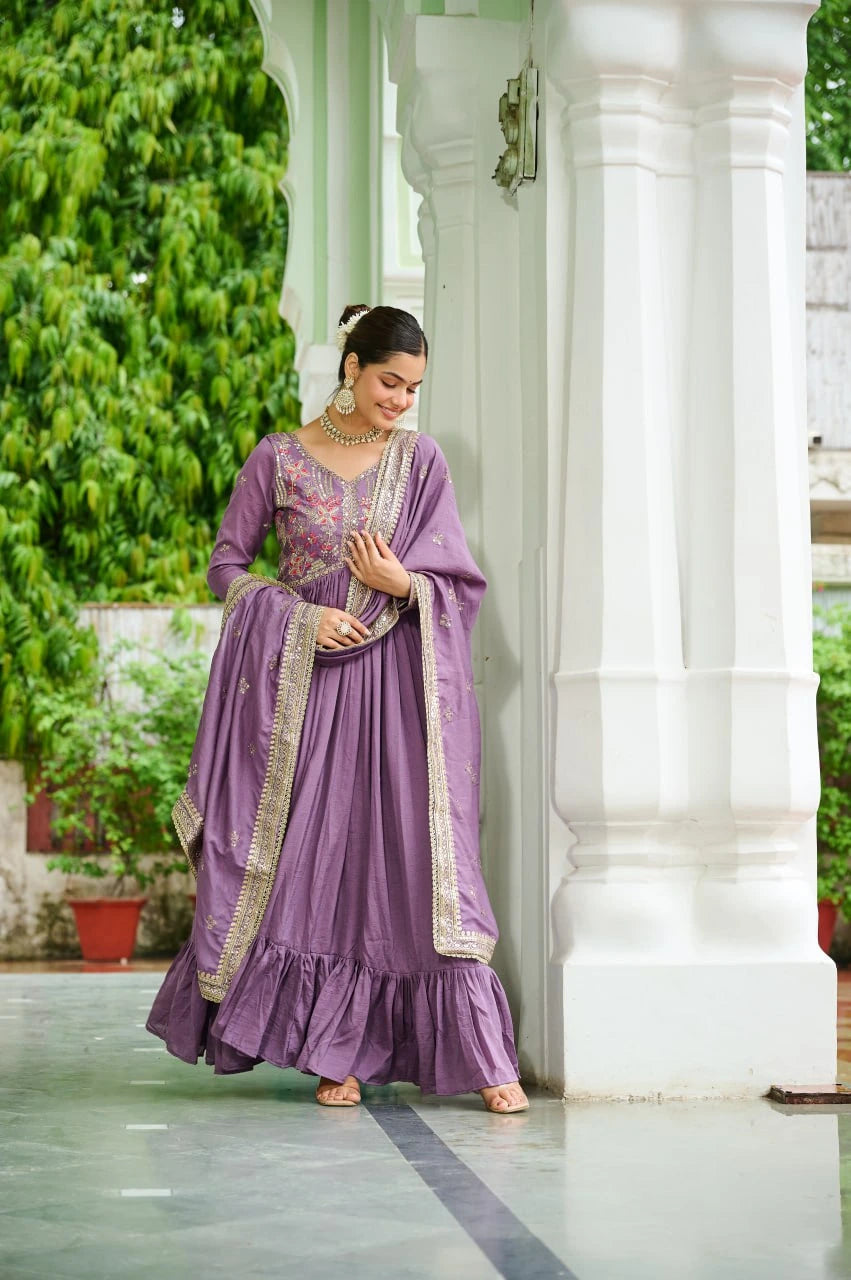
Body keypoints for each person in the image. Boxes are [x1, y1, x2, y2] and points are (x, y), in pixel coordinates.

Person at [146, 305, 529, 1114]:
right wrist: (296, 617)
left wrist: (406, 586)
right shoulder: (277, 459)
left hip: (400, 688)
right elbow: (226, 566)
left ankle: (483, 1052)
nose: (401, 401)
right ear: (351, 367)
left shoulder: (420, 463)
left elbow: (454, 581)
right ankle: (333, 1053)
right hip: (306, 693)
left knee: (410, 864)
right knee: (314, 865)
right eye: (390, 382)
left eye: (413, 388)